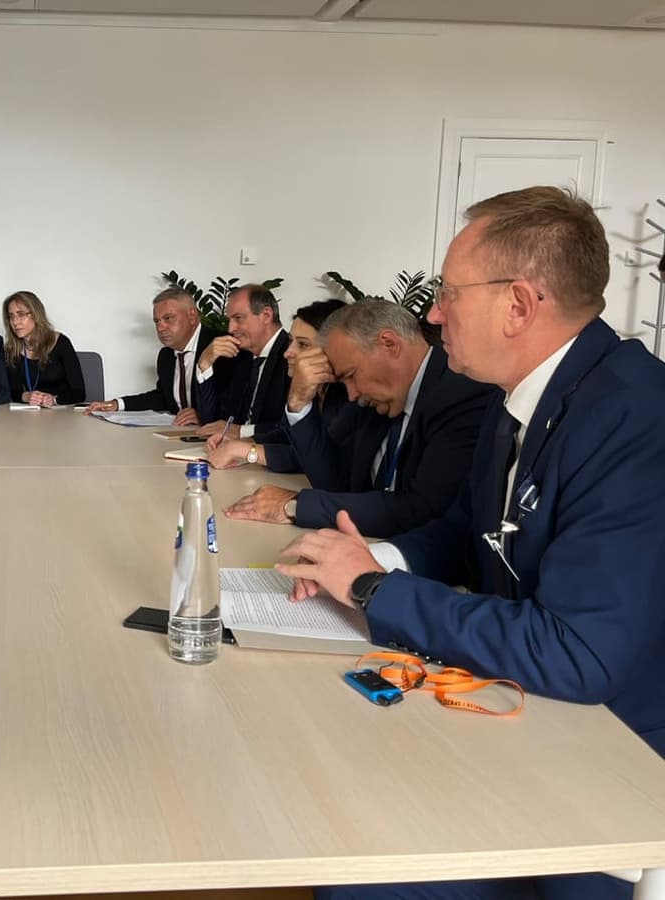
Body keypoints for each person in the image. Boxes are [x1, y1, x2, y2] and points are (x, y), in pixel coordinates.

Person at [276, 187, 665, 900]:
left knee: (353, 872)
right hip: (526, 720)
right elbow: (465, 532)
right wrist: (367, 559)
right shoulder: (518, 395)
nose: (432, 313)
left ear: (518, 305)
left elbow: (578, 655)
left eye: (451, 293)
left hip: (610, 784)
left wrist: (372, 588)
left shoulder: (635, 415)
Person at [224, 300, 493, 538]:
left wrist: (294, 505)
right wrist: (299, 403)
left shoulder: (460, 392)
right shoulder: (376, 399)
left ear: (389, 344)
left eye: (351, 375)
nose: (352, 394)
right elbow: (333, 482)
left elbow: (422, 510)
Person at [207, 298, 347, 469]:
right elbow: (283, 435)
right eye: (290, 341)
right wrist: (242, 441)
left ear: (336, 349)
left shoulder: (349, 400)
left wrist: (247, 451)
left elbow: (319, 458)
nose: (288, 353)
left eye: (303, 344)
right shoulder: (315, 392)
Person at [85, 287, 228, 425]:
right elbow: (163, 398)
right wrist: (117, 404)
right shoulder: (166, 355)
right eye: (157, 321)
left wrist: (204, 415)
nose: (160, 328)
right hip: (178, 432)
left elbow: (235, 404)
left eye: (168, 318)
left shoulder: (221, 347)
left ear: (192, 316)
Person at [193, 284, 290, 442]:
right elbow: (212, 422)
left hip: (270, 453)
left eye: (238, 318)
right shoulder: (240, 356)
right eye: (229, 320)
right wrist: (205, 363)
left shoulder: (292, 356)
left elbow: (295, 427)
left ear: (266, 315)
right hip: (232, 450)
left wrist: (241, 431)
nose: (230, 328)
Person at [2, 290, 85, 407]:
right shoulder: (12, 350)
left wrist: (54, 399)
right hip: (30, 413)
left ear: (36, 315)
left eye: (21, 315)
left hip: (62, 411)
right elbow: (12, 392)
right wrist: (27, 396)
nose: (15, 322)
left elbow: (79, 392)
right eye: (11, 317)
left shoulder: (61, 343)